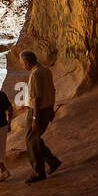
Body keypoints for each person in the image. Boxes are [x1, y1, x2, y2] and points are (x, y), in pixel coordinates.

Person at [21, 49, 61, 184]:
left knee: (31, 140)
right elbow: (52, 89)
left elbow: (37, 98)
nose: (22, 66)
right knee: (35, 139)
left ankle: (38, 172)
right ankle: (53, 161)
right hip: (47, 108)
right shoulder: (45, 70)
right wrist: (52, 109)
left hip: (38, 111)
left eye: (22, 63)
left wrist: (34, 118)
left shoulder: (35, 74)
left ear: (27, 63)